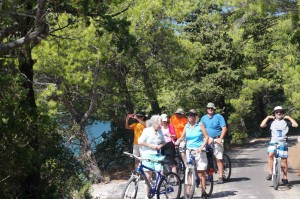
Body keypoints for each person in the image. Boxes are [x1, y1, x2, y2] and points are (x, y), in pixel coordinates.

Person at [260, 106, 298, 185]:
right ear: (274, 113)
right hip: (273, 142)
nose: (279, 113)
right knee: (270, 154)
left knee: (284, 161)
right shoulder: (271, 122)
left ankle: (285, 177)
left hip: (283, 142)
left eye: (280, 112)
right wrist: (267, 117)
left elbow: (296, 125)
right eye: (277, 112)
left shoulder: (286, 121)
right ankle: (270, 173)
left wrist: (289, 118)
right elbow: (262, 125)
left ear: (283, 113)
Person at [175, 109, 209, 198]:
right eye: (188, 115)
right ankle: (188, 192)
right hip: (189, 150)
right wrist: (178, 141)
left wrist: (201, 147)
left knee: (201, 172)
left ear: (195, 117)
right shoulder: (187, 126)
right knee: (189, 171)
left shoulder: (200, 125)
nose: (189, 117)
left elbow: (206, 137)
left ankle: (203, 191)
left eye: (191, 115)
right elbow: (182, 137)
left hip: (199, 150)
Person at [138, 115, 166, 199]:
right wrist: (151, 145)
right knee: (148, 176)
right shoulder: (147, 131)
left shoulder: (160, 132)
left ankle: (157, 192)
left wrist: (160, 146)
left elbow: (164, 142)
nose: (161, 125)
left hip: (157, 155)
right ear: (154, 123)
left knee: (160, 173)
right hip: (147, 155)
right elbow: (140, 141)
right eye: (159, 123)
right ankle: (146, 196)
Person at [200, 102, 228, 184]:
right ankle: (210, 175)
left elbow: (224, 128)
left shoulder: (219, 117)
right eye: (209, 108)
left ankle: (220, 176)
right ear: (207, 109)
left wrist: (220, 138)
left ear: (214, 109)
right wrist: (205, 139)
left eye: (212, 108)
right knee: (209, 159)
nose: (210, 109)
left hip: (217, 139)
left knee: (218, 158)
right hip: (207, 139)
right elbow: (201, 129)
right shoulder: (203, 118)